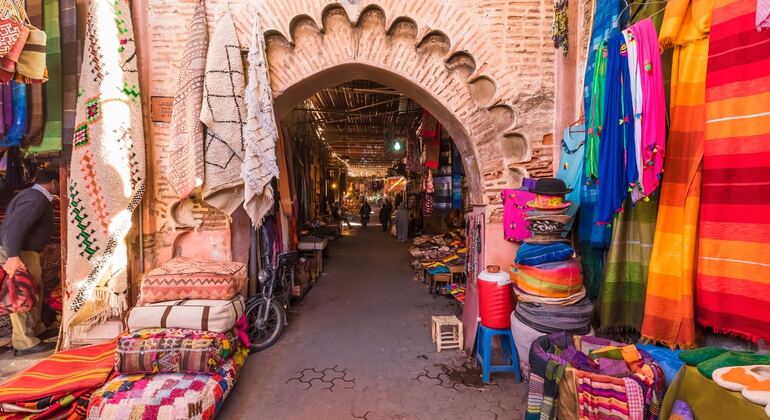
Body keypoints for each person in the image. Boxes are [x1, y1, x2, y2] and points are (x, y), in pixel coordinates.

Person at [0, 168, 59, 356]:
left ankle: (36, 330)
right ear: (53, 183)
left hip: (25, 251)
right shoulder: (34, 199)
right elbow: (15, 226)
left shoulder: (33, 196)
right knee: (20, 292)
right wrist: (13, 256)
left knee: (34, 290)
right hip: (19, 252)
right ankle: (24, 341)